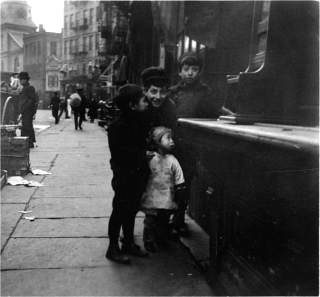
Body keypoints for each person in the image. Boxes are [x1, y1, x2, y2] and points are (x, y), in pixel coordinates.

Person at [168, 52, 234, 236]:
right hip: (174, 144)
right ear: (180, 71)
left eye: (194, 69)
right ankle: (165, 219)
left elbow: (216, 109)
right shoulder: (174, 93)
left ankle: (179, 219)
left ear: (200, 72)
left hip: (194, 145)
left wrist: (232, 116)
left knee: (185, 182)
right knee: (171, 182)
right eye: (186, 69)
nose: (190, 73)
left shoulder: (205, 92)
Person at [106, 84, 151, 264]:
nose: (146, 103)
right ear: (132, 105)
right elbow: (120, 153)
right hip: (124, 177)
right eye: (143, 100)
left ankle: (129, 242)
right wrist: (143, 154)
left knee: (131, 210)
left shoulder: (138, 120)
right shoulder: (117, 126)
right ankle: (112, 247)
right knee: (119, 211)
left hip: (137, 175)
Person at [140, 126, 186, 253]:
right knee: (150, 220)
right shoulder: (150, 158)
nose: (172, 141)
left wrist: (180, 190)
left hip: (167, 197)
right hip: (152, 195)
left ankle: (160, 238)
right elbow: (142, 173)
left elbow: (178, 176)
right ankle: (148, 240)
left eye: (172, 138)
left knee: (163, 220)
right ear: (158, 142)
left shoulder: (172, 160)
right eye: (168, 138)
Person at [17, 71, 37, 148]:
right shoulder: (24, 88)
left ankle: (30, 142)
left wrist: (25, 107)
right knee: (25, 126)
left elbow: (32, 100)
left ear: (25, 80)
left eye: (21, 79)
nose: (20, 81)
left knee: (27, 126)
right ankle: (26, 142)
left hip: (28, 111)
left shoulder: (29, 88)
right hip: (25, 111)